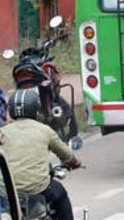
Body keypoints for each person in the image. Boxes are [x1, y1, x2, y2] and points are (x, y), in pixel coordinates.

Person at [0, 88, 82, 220]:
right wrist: (75, 162)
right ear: (36, 108)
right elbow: (67, 155)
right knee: (60, 194)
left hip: (8, 194)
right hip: (39, 189)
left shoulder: (3, 132)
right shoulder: (45, 130)